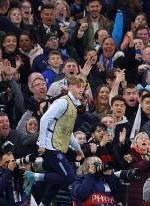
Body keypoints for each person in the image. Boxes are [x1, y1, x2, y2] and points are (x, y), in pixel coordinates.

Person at [24, 75, 87, 206]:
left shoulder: (74, 106)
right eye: (77, 86)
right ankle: (33, 176)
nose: (81, 89)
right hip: (49, 146)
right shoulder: (63, 102)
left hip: (58, 146)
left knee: (57, 182)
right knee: (69, 178)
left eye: (82, 87)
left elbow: (68, 132)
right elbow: (44, 119)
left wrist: (78, 148)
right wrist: (42, 144)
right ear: (70, 87)